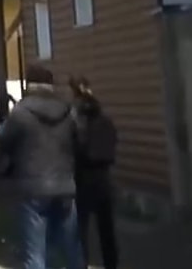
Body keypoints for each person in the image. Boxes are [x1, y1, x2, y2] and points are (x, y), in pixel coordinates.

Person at [0, 65, 86, 269]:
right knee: (72, 246)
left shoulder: (20, 112)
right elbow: (80, 142)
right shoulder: (68, 110)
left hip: (32, 186)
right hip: (65, 185)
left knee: (35, 253)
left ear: (29, 84)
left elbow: (4, 142)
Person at [70, 77, 119, 269]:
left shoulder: (78, 124)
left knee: (80, 230)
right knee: (106, 230)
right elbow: (112, 144)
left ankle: (81, 264)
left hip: (83, 179)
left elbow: (76, 149)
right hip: (104, 179)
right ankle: (111, 264)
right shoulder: (106, 122)